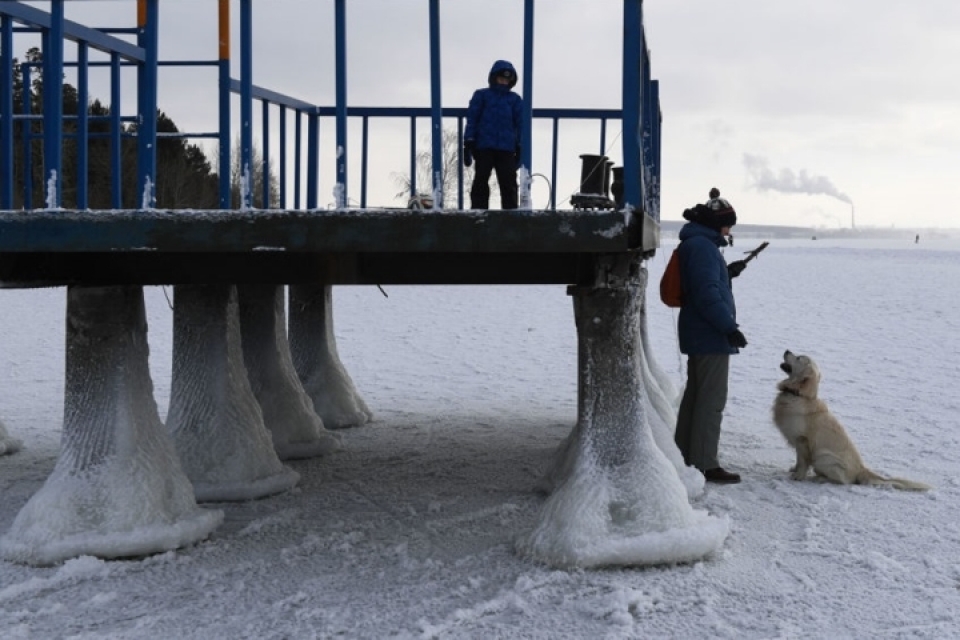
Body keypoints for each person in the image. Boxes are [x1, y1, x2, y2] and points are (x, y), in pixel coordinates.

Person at [673, 191, 748, 484]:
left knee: (696, 397)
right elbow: (706, 294)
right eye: (728, 225)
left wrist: (727, 273)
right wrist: (729, 327)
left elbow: (704, 284)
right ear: (717, 224)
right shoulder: (703, 248)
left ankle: (684, 455)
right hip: (710, 334)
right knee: (711, 399)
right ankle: (705, 463)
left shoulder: (697, 244)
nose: (729, 231)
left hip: (699, 331)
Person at [463, 60, 524, 210]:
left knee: (509, 182)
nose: (503, 82)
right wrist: (468, 141)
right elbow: (472, 118)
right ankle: (479, 213)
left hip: (506, 148)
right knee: (481, 179)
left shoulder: (514, 100)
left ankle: (510, 216)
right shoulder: (482, 95)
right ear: (493, 78)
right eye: (501, 78)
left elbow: (521, 124)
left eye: (507, 80)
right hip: (483, 146)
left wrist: (521, 145)